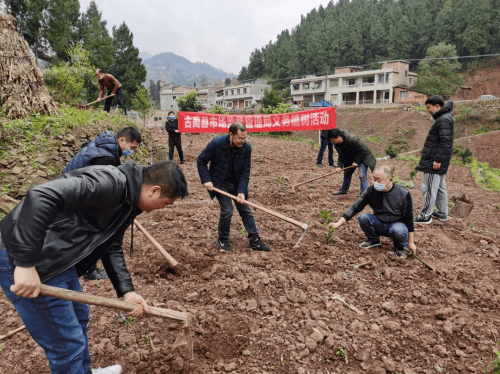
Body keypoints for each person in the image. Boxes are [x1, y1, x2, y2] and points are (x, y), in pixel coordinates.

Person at [0, 160, 188, 374]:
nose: (163, 209)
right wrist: (25, 263)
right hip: (24, 256)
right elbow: (41, 195)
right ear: (155, 190)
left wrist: (127, 291)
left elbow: (111, 245)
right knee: (66, 344)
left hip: (56, 259)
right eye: (166, 203)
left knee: (79, 316)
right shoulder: (109, 183)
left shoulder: (129, 202)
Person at [63, 127, 142, 280]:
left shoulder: (101, 146)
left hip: (74, 191)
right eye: (131, 148)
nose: (131, 151)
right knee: (94, 230)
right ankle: (89, 270)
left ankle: (80, 266)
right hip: (77, 195)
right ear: (121, 140)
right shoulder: (105, 158)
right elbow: (102, 190)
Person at [197, 121, 270, 253]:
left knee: (245, 210)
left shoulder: (246, 149)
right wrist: (206, 180)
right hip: (220, 183)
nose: (243, 141)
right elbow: (201, 160)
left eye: (245, 138)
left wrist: (241, 191)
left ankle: (254, 240)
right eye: (240, 138)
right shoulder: (217, 143)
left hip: (237, 184)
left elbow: (245, 172)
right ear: (231, 134)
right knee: (227, 210)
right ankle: (222, 239)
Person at [328, 165, 416, 259]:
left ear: (390, 180)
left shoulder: (403, 193)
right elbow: (356, 207)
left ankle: (399, 247)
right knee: (364, 218)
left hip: (396, 225)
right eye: (374, 179)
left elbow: (409, 217)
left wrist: (411, 242)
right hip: (379, 223)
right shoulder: (371, 191)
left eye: (379, 180)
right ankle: (373, 240)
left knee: (398, 230)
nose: (376, 182)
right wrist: (338, 223)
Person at [414, 95, 454, 224]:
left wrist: (437, 160)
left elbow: (445, 142)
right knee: (440, 188)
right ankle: (442, 213)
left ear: (437, 106)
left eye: (429, 107)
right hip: (438, 159)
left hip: (435, 161)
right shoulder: (444, 118)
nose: (428, 110)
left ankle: (425, 216)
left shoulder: (443, 119)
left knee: (429, 188)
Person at [328, 128, 376, 196]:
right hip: (350, 158)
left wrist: (356, 161)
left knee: (362, 175)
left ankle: (364, 194)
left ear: (338, 137)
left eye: (332, 140)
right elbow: (341, 155)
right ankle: (344, 190)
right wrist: (339, 166)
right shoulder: (337, 145)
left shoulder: (353, 139)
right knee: (347, 173)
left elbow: (363, 151)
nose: (332, 142)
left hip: (363, 157)